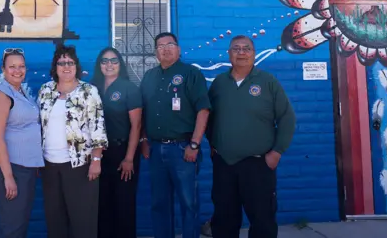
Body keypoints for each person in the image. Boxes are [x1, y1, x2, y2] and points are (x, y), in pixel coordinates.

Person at [205, 35, 296, 238]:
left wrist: (277, 152)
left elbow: (287, 118)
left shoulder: (268, 82)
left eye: (246, 48)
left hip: (258, 165)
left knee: (262, 220)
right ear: (229, 54)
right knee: (224, 219)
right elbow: (208, 117)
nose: (241, 52)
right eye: (236, 49)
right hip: (224, 165)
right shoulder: (219, 83)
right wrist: (212, 143)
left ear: (254, 54)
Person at [139, 32, 210, 238]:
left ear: (178, 49)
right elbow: (142, 112)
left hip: (183, 150)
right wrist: (144, 140)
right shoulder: (149, 77)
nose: (166, 48)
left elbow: (203, 110)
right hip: (155, 149)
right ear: (156, 53)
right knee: (159, 204)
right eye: (161, 46)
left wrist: (195, 145)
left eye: (170, 44)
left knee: (189, 204)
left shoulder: (190, 74)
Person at [38, 44, 108, 238]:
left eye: (70, 62)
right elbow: (39, 126)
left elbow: (98, 127)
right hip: (49, 165)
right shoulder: (46, 90)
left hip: (80, 165)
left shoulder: (88, 91)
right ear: (55, 67)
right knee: (55, 219)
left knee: (82, 219)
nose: (66, 66)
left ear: (76, 66)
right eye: (61, 62)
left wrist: (96, 160)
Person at [0, 48, 44, 238]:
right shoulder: (1, 95)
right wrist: (8, 177)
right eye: (12, 67)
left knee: (18, 222)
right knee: (13, 224)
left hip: (23, 165)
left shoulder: (19, 93)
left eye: (21, 66)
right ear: (3, 69)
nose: (17, 70)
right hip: (10, 166)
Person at [91, 47, 142, 238]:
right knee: (102, 204)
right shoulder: (92, 87)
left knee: (123, 205)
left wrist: (129, 158)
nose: (109, 65)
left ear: (120, 64)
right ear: (99, 65)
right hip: (99, 155)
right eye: (104, 61)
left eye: (114, 61)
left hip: (123, 153)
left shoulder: (129, 88)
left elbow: (136, 126)